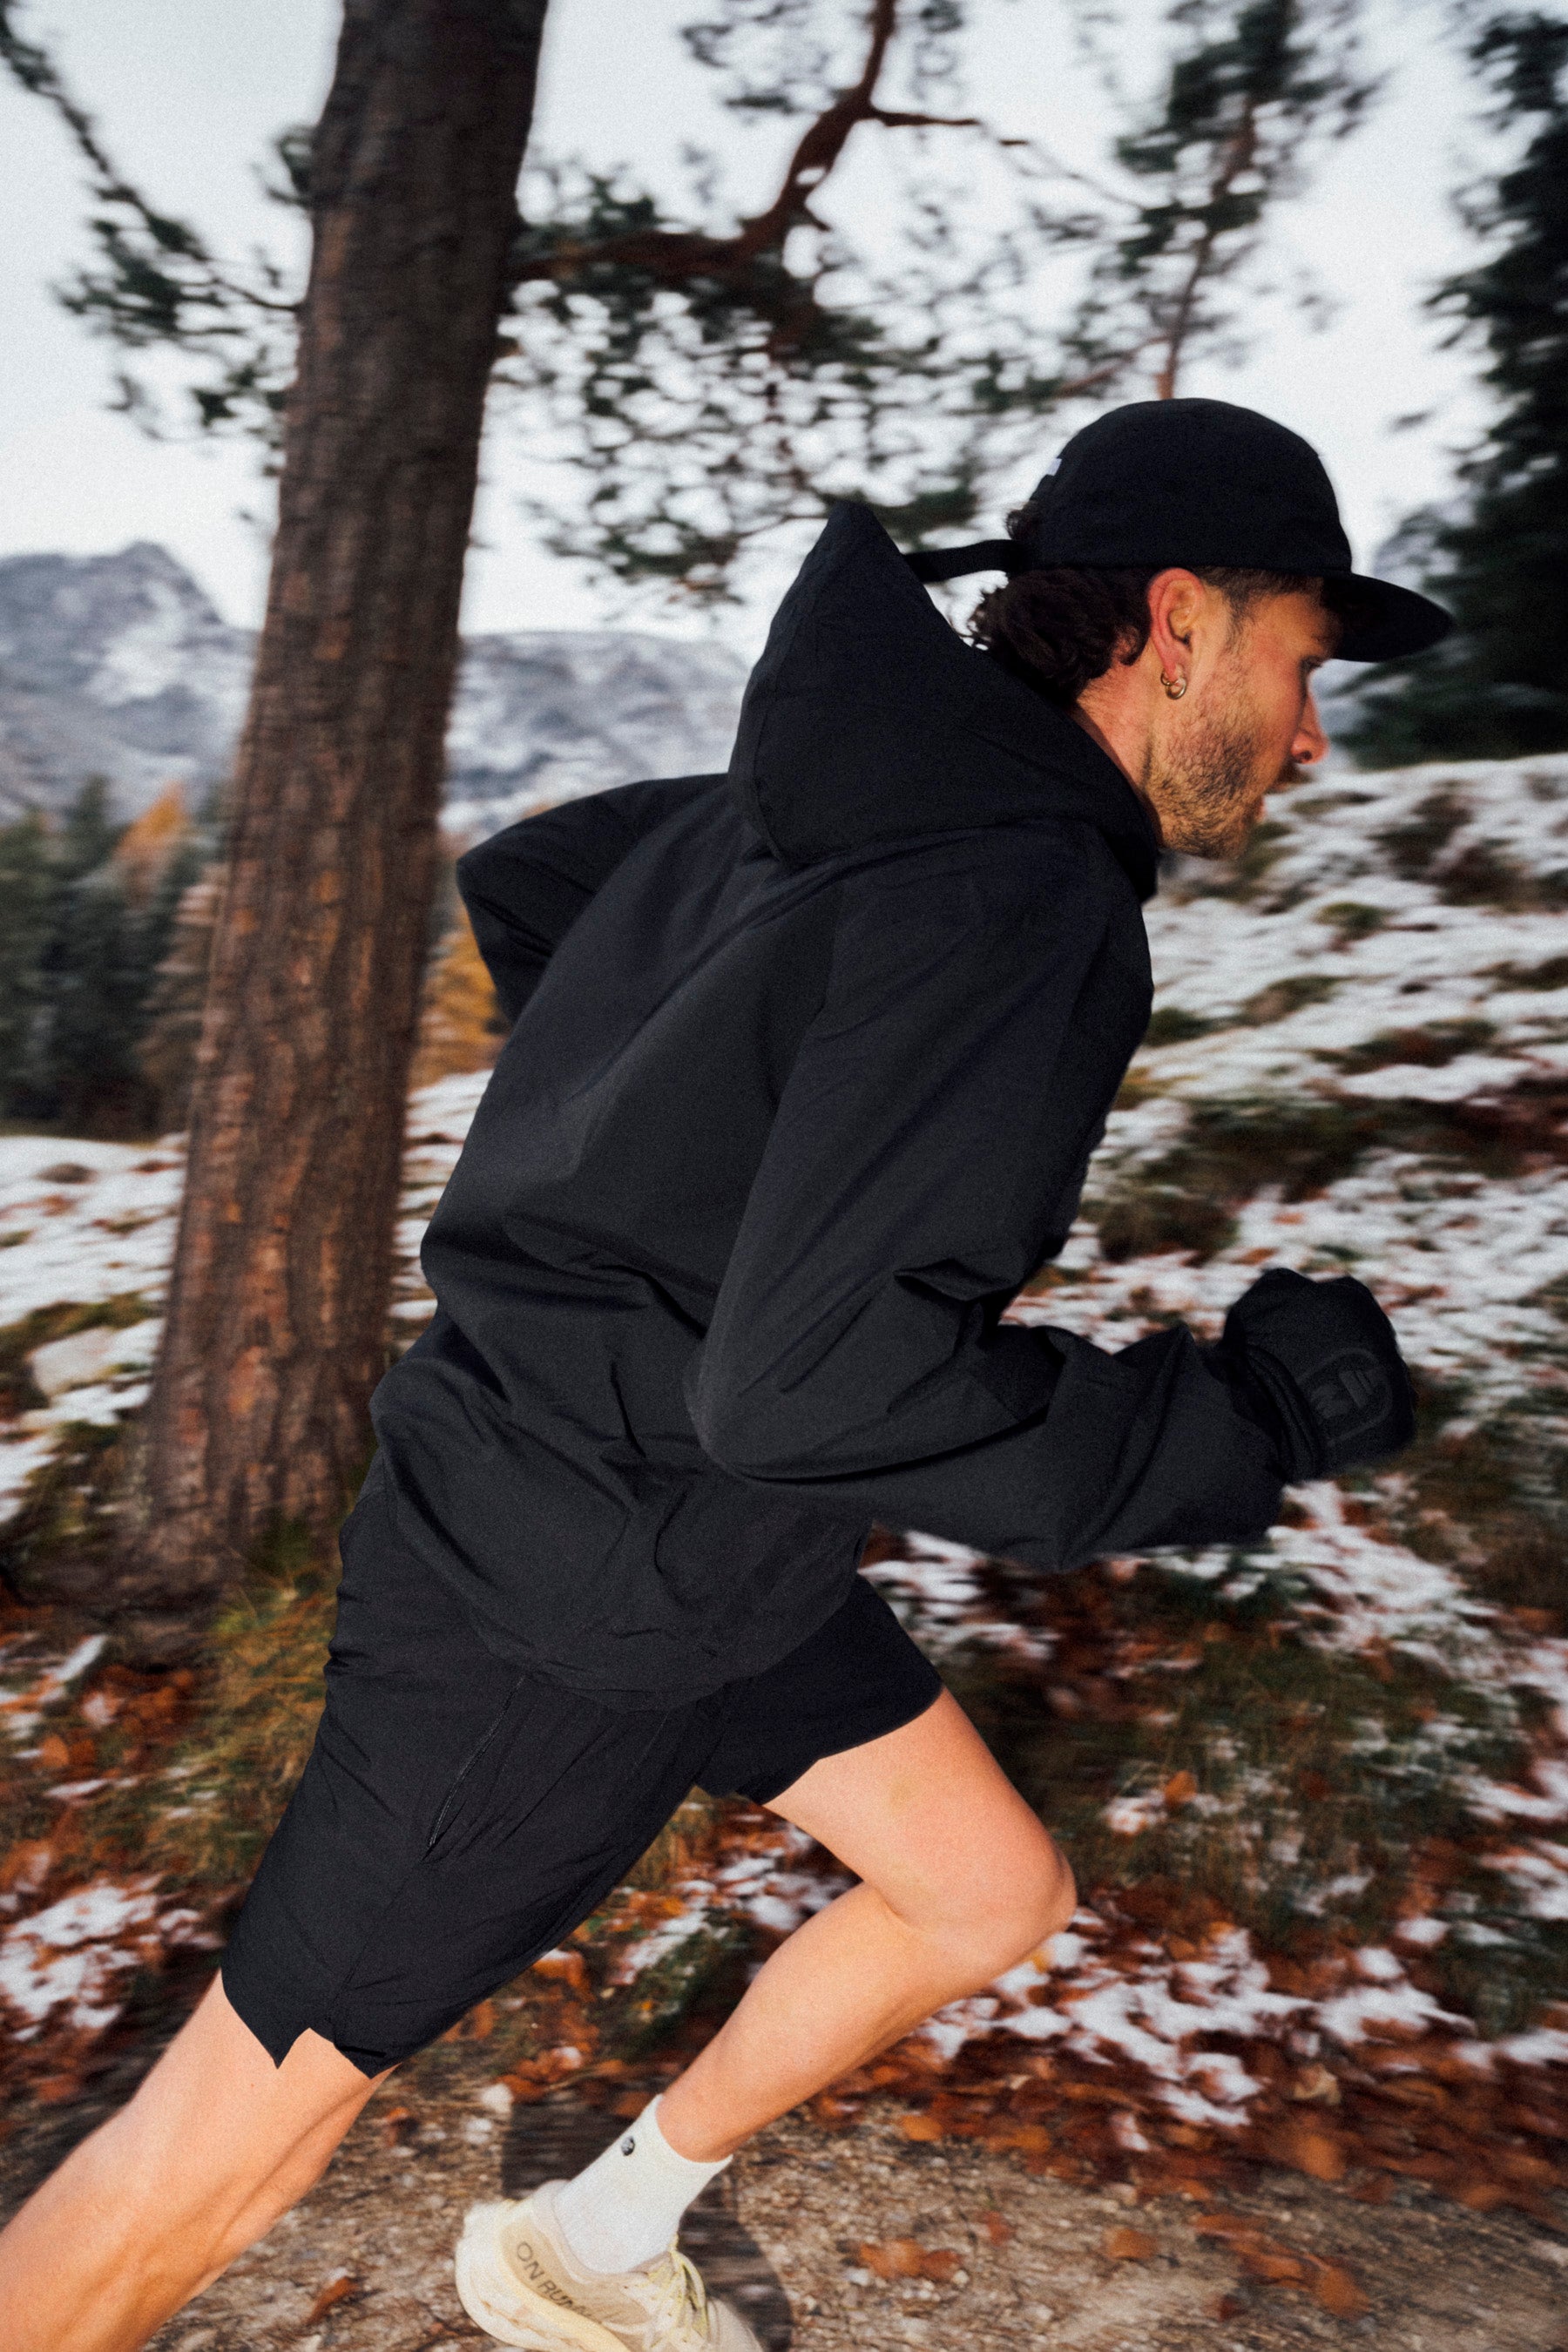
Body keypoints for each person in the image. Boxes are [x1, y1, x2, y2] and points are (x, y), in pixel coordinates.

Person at [0, 399, 1447, 2352]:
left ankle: (597, 2243)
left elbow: (529, 883)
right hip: (562, 1608)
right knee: (219, 2152)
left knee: (983, 1889)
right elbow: (826, 1390)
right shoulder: (1014, 892)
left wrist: (660, 1163)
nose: (1307, 733)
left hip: (682, 1532)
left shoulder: (839, 801)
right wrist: (1244, 1422)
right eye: (1297, 667)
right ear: (1177, 625)